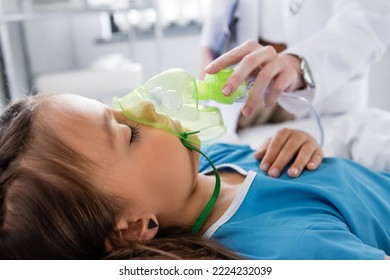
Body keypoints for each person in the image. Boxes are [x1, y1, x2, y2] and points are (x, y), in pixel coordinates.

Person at [0, 93, 389, 260]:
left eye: (116, 105)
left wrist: (303, 144)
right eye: (128, 132)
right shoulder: (293, 248)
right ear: (132, 228)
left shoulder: (212, 160)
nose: (145, 105)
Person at [200, 0, 390, 132]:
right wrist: (209, 51)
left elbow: (368, 19)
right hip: (243, 89)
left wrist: (299, 63)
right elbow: (220, 13)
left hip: (319, 88)